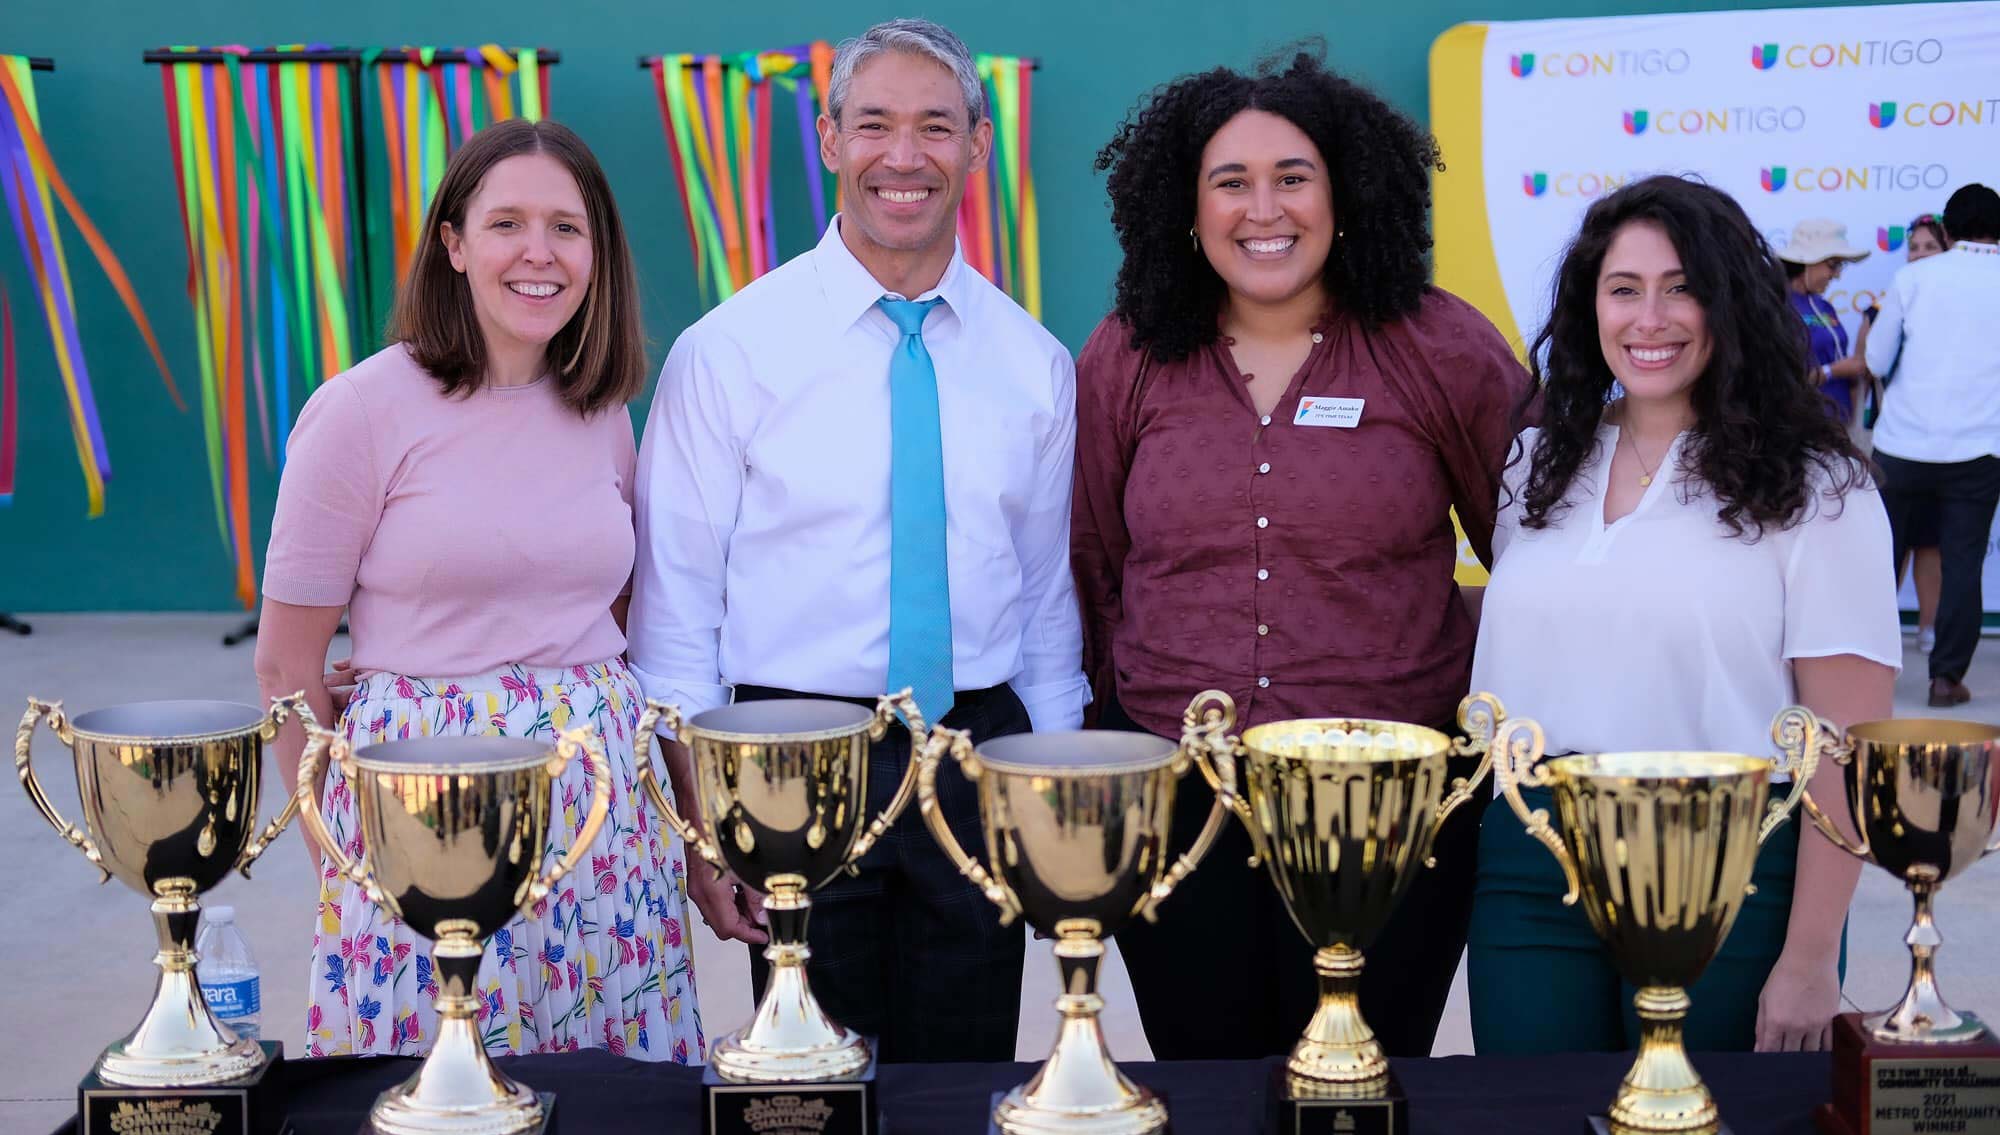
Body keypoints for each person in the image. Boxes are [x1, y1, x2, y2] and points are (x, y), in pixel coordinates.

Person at [628, 18, 1086, 1063]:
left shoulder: (1033, 363)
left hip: (976, 752)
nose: (903, 155)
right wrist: (706, 832)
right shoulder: (729, 352)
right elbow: (676, 618)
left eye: (934, 126)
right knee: (812, 1090)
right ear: (830, 142)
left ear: (977, 143)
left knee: (963, 1079)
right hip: (792, 757)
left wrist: (1054, 796)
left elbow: (1043, 599)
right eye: (872, 123)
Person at [1072, 50, 1528, 1060]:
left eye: (1291, 176)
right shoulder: (1127, 355)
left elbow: (1533, 556)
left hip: (1390, 798)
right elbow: (1094, 564)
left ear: (1345, 193)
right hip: (1177, 801)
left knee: (1356, 1094)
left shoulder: (1439, 347)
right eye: (1228, 181)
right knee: (1207, 1079)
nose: (1261, 207)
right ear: (1185, 210)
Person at [255, 120, 704, 1063]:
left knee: (614, 1124)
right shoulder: (361, 411)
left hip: (601, 824)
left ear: (598, 254)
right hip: (423, 822)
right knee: (441, 1129)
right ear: (453, 245)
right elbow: (288, 660)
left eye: (566, 229)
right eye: (506, 224)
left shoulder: (603, 411)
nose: (538, 254)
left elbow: (614, 618)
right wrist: (340, 866)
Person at [1469, 175, 1899, 1056]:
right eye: (1623, 289)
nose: (1649, 318)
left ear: (1732, 303)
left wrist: (1812, 956)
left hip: (1730, 861)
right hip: (1531, 850)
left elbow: (1846, 738)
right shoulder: (1538, 460)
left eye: (1683, 288)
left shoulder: (1820, 488)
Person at [1864, 183, 2000, 707]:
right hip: (1980, 449)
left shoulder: (1914, 277)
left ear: (1946, 231)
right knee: (1963, 564)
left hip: (1902, 445)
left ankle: (1863, 669)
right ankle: (1945, 679)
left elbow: (1876, 362)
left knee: (1878, 559)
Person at [1862, 212, 1948, 653]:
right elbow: (1870, 365)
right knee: (1888, 543)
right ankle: (1881, 633)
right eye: (1913, 248)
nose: (1918, 256)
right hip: (1895, 441)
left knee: (1930, 545)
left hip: (1945, 445)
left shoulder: (1958, 312)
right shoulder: (1882, 307)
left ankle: (1929, 630)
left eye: (1929, 248)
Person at [1778, 218, 1870, 423]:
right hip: (1800, 427)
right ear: (1807, 261)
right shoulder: (1776, 307)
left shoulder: (1824, 305)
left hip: (1837, 425)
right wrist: (1833, 371)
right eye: (1833, 265)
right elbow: (1777, 382)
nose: (1837, 275)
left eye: (1840, 266)